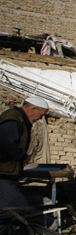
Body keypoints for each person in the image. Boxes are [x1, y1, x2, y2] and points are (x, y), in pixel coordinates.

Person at [0, 96, 49, 224]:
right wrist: (22, 156)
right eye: (41, 114)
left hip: (8, 172)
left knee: (11, 210)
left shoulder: (19, 119)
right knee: (17, 207)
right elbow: (7, 144)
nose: (40, 118)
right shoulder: (13, 120)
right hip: (3, 173)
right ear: (33, 109)